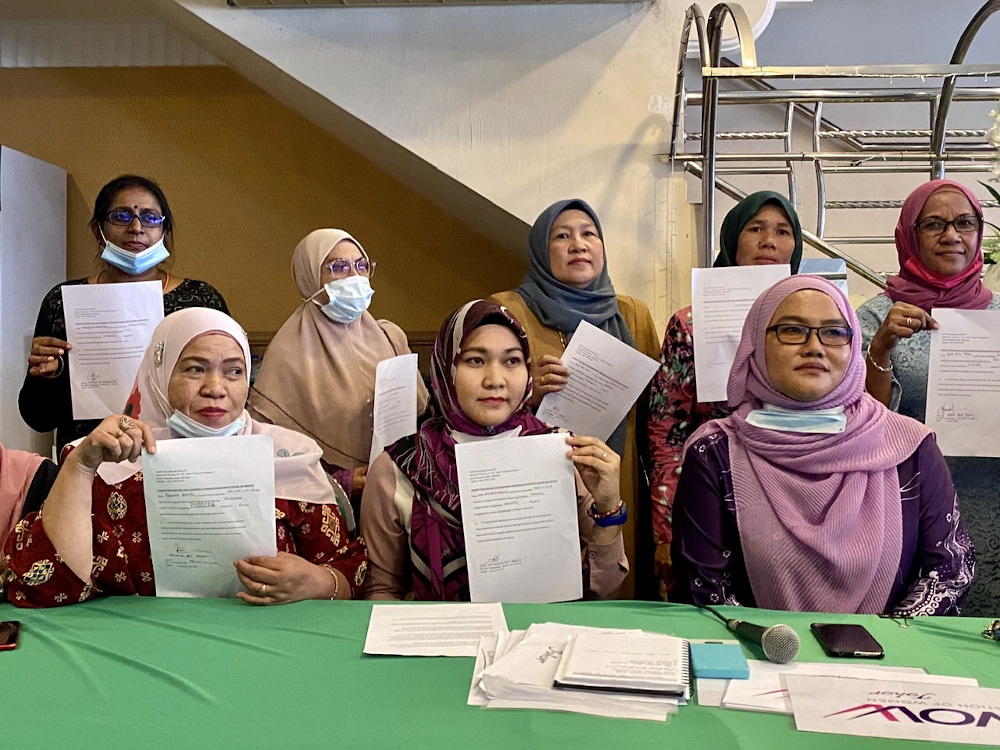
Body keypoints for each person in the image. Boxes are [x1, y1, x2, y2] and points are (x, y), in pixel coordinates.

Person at [4, 308, 367, 608]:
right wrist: (81, 467)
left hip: (266, 652)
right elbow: (43, 585)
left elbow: (350, 572)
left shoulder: (289, 458)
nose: (215, 388)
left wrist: (318, 581)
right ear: (160, 375)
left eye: (234, 371)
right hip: (138, 654)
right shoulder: (111, 462)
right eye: (195, 368)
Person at [671, 276, 973, 615]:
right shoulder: (715, 453)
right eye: (792, 330)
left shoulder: (910, 447)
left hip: (890, 660)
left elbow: (949, 570)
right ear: (755, 341)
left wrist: (884, 646)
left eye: (833, 332)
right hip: (759, 657)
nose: (814, 346)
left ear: (852, 344)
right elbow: (703, 588)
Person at [360, 300, 628, 601]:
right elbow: (381, 592)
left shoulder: (559, 451)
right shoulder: (400, 466)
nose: (495, 380)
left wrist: (608, 507)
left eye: (512, 361)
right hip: (445, 644)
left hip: (547, 639)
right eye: (475, 360)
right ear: (446, 368)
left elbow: (602, 589)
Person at [490, 199, 658, 598]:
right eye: (562, 236)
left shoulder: (632, 313)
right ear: (540, 251)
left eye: (589, 234)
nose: (578, 244)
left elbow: (658, 406)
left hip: (614, 479)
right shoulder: (508, 309)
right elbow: (476, 400)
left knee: (614, 590)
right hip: (538, 480)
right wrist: (527, 393)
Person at [647, 191, 803, 596]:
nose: (769, 240)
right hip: (710, 497)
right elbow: (669, 432)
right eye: (755, 228)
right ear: (733, 239)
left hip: (794, 498)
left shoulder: (813, 319)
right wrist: (666, 529)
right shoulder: (689, 324)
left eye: (782, 231)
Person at [858, 179, 998, 618]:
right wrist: (879, 348)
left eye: (964, 223)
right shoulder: (874, 317)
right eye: (934, 224)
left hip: (987, 498)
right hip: (902, 504)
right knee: (910, 636)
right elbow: (857, 420)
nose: (951, 235)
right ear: (909, 235)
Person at [19, 175, 229, 456]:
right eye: (121, 216)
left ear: (164, 230)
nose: (136, 227)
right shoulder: (63, 301)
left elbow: (231, 393)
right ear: (98, 230)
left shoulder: (202, 300)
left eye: (150, 217)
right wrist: (44, 377)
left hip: (177, 458)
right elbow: (39, 419)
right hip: (89, 461)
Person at [248, 228, 428, 518]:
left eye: (361, 266)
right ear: (310, 277)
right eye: (338, 268)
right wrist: (342, 482)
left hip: (404, 494)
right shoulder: (287, 356)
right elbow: (272, 459)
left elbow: (421, 415)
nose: (355, 277)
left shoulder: (389, 337)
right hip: (332, 508)